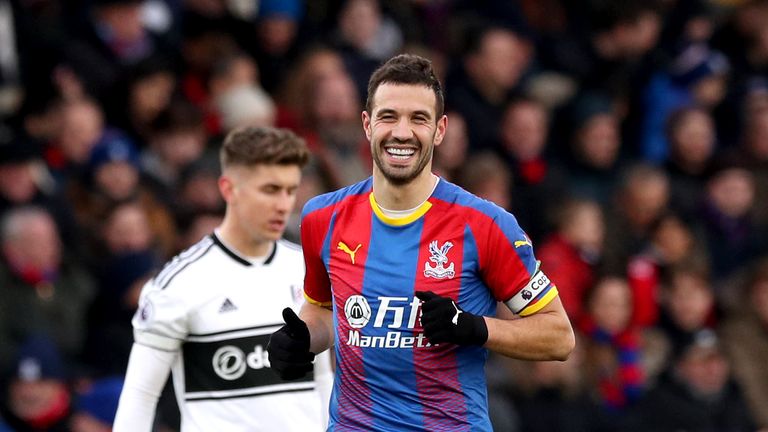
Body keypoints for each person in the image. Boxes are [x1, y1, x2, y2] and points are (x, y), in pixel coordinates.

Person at [267, 54, 574, 430]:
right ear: (367, 124)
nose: (401, 132)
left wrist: (474, 328)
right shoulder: (322, 218)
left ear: (440, 130)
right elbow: (326, 311)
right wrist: (300, 339)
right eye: (389, 116)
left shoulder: (485, 224)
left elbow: (559, 336)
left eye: (418, 118)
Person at [113, 126, 331, 431]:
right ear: (229, 189)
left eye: (290, 190)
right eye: (270, 189)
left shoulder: (308, 268)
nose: (284, 204)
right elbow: (140, 397)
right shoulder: (178, 283)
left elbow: (322, 379)